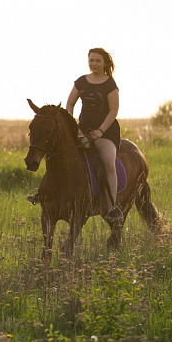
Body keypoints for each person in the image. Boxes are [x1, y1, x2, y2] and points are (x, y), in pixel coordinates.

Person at [66, 47, 123, 222]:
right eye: (91, 60)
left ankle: (112, 206)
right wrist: (75, 128)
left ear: (104, 63)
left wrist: (100, 132)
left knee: (108, 163)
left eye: (98, 60)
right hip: (82, 129)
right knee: (62, 154)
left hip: (106, 132)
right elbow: (69, 105)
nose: (94, 64)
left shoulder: (110, 84)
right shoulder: (81, 82)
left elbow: (113, 110)